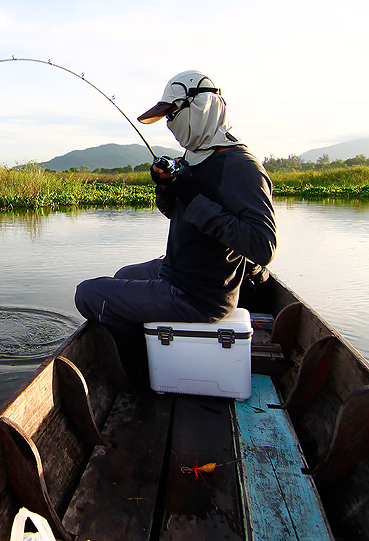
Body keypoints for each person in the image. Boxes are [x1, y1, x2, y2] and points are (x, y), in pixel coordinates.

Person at [74, 70, 277, 384]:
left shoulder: (242, 167)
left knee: (86, 293)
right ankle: (153, 341)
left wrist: (193, 197)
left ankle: (141, 376)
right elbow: (178, 214)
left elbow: (263, 247)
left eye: (172, 113)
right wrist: (167, 188)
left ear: (199, 107)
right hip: (177, 271)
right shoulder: (195, 158)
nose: (170, 124)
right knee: (123, 276)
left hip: (199, 296)